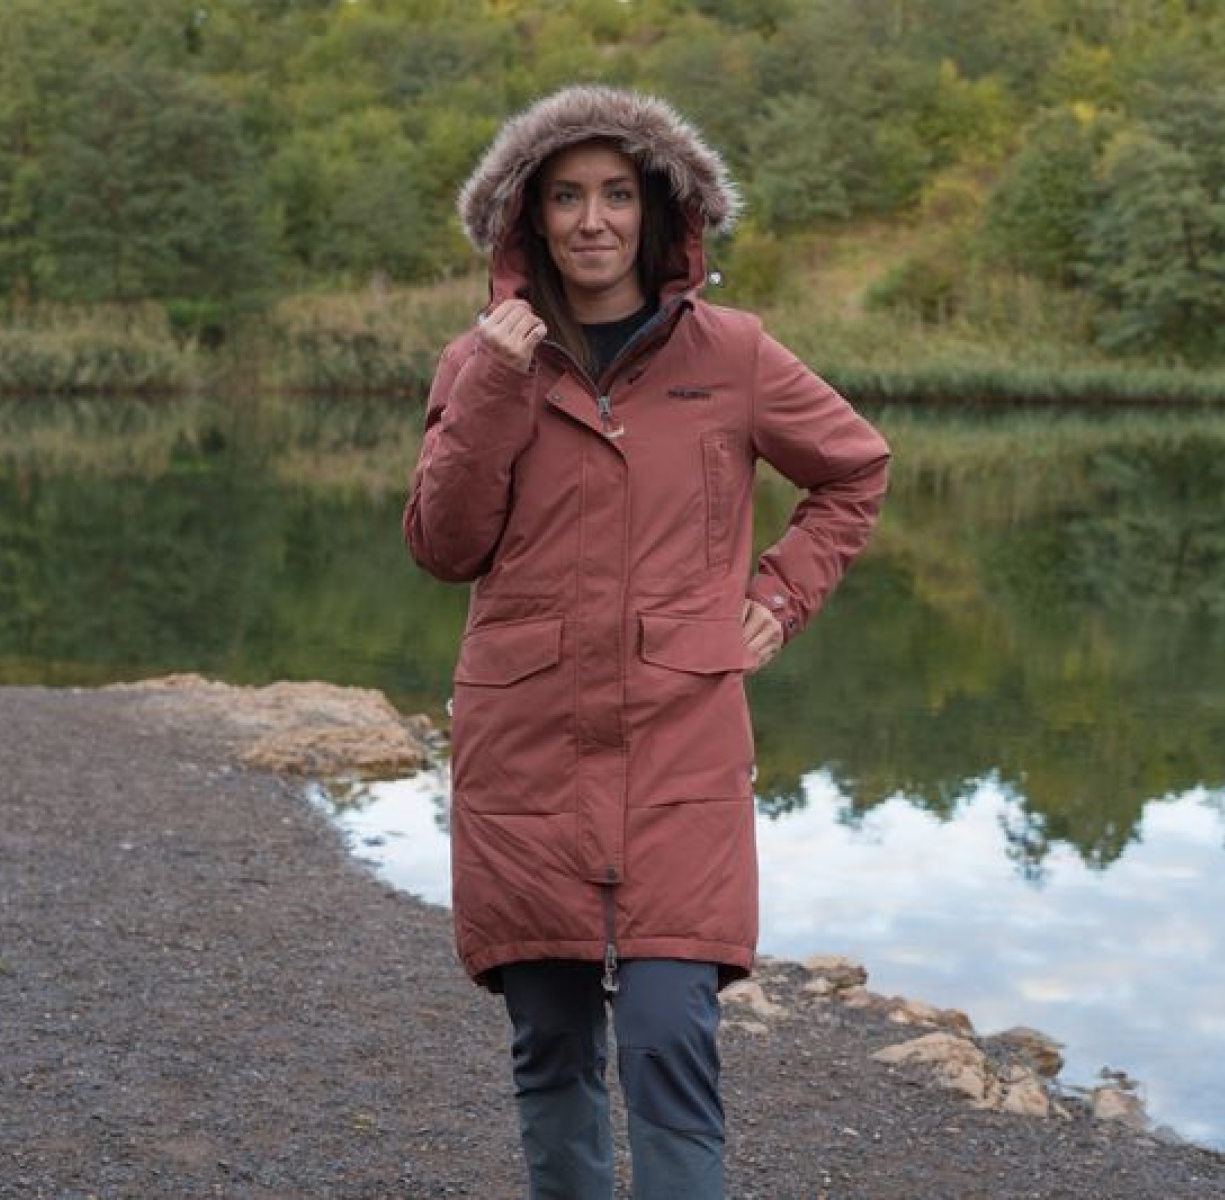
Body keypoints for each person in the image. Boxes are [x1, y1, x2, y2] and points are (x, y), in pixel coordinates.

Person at [403, 84, 891, 1199]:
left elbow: (854, 470)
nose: (592, 220)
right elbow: (443, 545)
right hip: (524, 745)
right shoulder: (477, 362)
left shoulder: (734, 353)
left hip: (681, 742)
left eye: (616, 194)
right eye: (565, 196)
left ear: (657, 210)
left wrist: (781, 595)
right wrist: (493, 382)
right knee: (551, 1041)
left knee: (671, 1033)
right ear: (527, 220)